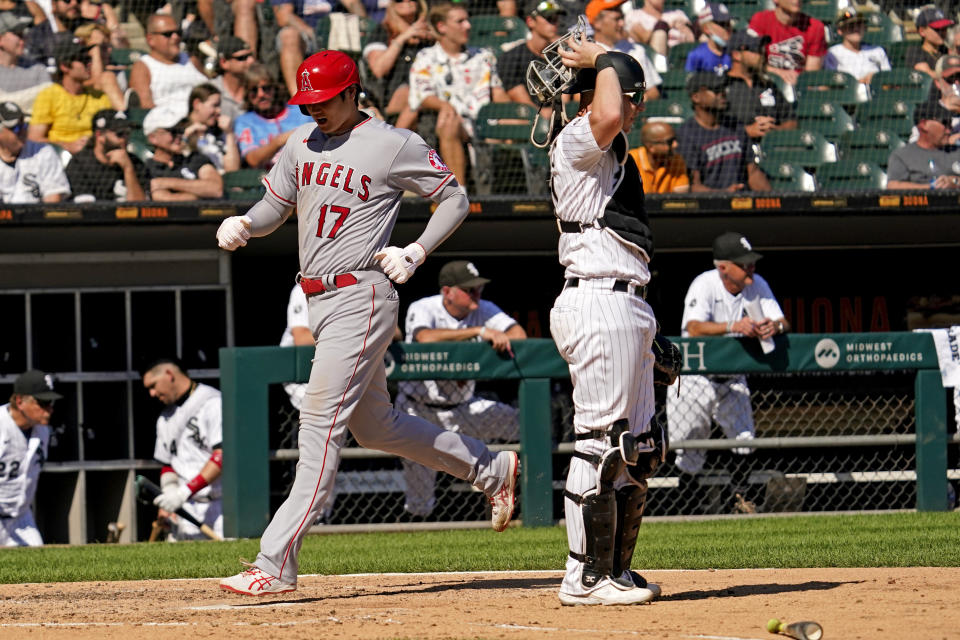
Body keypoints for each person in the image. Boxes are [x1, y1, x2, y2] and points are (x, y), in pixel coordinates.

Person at [215, 50, 519, 595]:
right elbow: (272, 207)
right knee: (375, 426)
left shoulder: (392, 142)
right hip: (318, 299)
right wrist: (244, 222)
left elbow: (454, 198)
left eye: (324, 100)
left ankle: (274, 561)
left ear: (352, 92)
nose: (315, 112)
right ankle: (490, 469)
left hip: (363, 293)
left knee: (319, 426)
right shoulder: (300, 143)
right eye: (307, 102)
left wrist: (418, 252)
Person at [546, 42, 666, 605]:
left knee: (639, 448)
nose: (634, 109)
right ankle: (582, 576)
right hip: (597, 299)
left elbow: (614, 115)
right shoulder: (576, 140)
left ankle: (614, 570)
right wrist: (606, 56)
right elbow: (610, 112)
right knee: (601, 443)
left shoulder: (609, 154)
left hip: (626, 302)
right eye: (631, 95)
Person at [666, 231, 789, 511]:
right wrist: (734, 327)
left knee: (744, 439)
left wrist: (775, 326)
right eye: (743, 264)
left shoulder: (756, 284)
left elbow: (782, 320)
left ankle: (739, 499)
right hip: (697, 376)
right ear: (723, 267)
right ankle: (688, 504)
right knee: (689, 447)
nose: (751, 268)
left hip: (733, 375)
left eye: (751, 262)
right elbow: (694, 328)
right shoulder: (705, 283)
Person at [395, 260, 525, 518]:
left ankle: (534, 484)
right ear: (448, 292)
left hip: (464, 409)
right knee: (420, 501)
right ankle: (421, 532)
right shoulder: (424, 307)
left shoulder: (483, 308)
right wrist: (479, 332)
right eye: (469, 289)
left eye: (478, 288)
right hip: (418, 411)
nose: (477, 294)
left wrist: (491, 335)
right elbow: (424, 338)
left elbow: (519, 336)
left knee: (524, 424)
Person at [407, 1, 510, 187]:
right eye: (460, 21)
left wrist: (513, 118)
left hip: (485, 123)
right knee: (449, 122)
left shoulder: (483, 56)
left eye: (467, 20)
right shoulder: (425, 58)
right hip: (451, 123)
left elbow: (498, 94)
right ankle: (458, 195)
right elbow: (422, 95)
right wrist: (445, 106)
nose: (468, 26)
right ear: (442, 27)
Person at [141, 358, 224, 541]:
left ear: (169, 374)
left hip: (220, 507)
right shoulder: (164, 418)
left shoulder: (213, 402)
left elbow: (221, 456)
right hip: (186, 509)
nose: (152, 393)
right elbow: (168, 463)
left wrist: (183, 492)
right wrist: (169, 493)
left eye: (153, 385)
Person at [676, 72, 772, 192]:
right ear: (696, 97)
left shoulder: (735, 126)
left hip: (743, 201)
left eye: (723, 89)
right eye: (716, 90)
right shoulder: (687, 135)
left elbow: (753, 173)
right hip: (710, 205)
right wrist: (724, 195)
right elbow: (694, 186)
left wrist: (772, 200)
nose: (722, 94)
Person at [0, 370, 61, 547]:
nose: (50, 409)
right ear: (20, 401)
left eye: (51, 402)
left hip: (21, 519)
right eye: (43, 403)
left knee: (41, 567)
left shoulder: (42, 431)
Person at [28, 33, 115, 154]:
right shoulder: (49, 95)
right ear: (64, 66)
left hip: (94, 155)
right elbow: (34, 139)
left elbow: (111, 130)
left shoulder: (99, 96)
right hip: (62, 158)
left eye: (88, 58)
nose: (89, 63)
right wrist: (66, 145)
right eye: (82, 60)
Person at [361, 0, 432, 129]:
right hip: (389, 94)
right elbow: (379, 69)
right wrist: (404, 37)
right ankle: (397, 141)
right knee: (415, 95)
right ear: (392, 4)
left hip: (428, 90)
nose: (406, 1)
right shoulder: (383, 32)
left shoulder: (430, 35)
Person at [720, 29, 797, 143]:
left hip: (772, 149)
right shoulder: (721, 85)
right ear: (737, 55)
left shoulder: (767, 85)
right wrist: (747, 131)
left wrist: (776, 131)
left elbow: (791, 121)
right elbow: (711, 128)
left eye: (762, 49)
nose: (762, 54)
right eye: (756, 50)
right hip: (736, 151)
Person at [233, 63, 312, 170]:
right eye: (254, 90)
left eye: (266, 88)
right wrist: (279, 140)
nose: (261, 94)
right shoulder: (245, 121)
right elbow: (252, 160)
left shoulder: (300, 110)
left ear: (275, 88)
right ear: (247, 94)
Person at [142, 105, 224, 200]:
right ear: (153, 138)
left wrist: (165, 183)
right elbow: (166, 200)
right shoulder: (148, 168)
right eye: (172, 131)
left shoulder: (195, 159)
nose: (179, 136)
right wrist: (197, 194)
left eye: (180, 130)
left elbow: (216, 189)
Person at [128, 14, 209, 110]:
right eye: (168, 34)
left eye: (178, 32)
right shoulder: (143, 67)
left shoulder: (191, 60)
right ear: (150, 39)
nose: (175, 37)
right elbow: (145, 106)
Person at [65, 108, 147, 202]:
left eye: (127, 133)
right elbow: (86, 210)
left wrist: (128, 169)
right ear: (99, 135)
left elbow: (141, 208)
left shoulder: (135, 163)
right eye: (119, 134)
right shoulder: (80, 164)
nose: (125, 138)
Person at [498, 0, 568, 109]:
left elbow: (564, 98)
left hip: (559, 117)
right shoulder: (512, 57)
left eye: (556, 18)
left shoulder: (561, 56)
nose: (555, 23)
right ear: (530, 21)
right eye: (549, 18)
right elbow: (525, 105)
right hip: (527, 119)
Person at [587, 0, 661, 101]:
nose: (622, 23)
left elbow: (653, 92)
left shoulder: (636, 50)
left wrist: (630, 101)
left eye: (622, 17)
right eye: (616, 19)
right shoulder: (586, 53)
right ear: (597, 23)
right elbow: (579, 98)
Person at [0, 101, 70, 203]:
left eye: (24, 125)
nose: (22, 131)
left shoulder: (43, 152)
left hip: (35, 216)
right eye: (16, 128)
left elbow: (53, 198)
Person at [748, 0, 826, 85]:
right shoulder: (760, 19)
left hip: (797, 86)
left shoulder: (815, 27)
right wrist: (778, 73)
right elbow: (750, 59)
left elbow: (811, 75)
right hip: (764, 82)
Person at [887, 100, 960, 189]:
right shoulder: (902, 156)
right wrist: (932, 188)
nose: (950, 130)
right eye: (945, 123)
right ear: (924, 124)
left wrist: (954, 182)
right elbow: (893, 186)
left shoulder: (957, 152)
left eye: (950, 123)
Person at [823, 7, 890, 86]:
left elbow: (888, 81)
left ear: (864, 28)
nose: (855, 29)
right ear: (840, 30)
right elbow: (831, 84)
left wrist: (876, 79)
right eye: (851, 26)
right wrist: (862, 82)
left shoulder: (877, 50)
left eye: (859, 25)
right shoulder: (832, 54)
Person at [182, 83, 241, 173]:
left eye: (219, 106)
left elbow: (232, 171)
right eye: (214, 105)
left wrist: (229, 133)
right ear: (197, 104)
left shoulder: (219, 132)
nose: (219, 111)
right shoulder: (180, 130)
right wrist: (187, 137)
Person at [0, 11, 51, 111]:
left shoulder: (37, 68)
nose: (22, 39)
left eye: (22, 34)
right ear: (0, 40)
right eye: (17, 34)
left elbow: (50, 100)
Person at [628, 121, 689, 193]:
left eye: (675, 139)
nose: (675, 145)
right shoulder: (630, 160)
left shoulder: (677, 160)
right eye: (670, 142)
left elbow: (680, 197)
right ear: (651, 147)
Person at [624, 0, 694, 58]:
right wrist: (666, 26)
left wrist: (684, 28)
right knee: (660, 34)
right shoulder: (634, 15)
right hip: (654, 59)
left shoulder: (678, 13)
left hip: (682, 57)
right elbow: (644, 38)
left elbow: (692, 39)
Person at [212, 35, 255, 125]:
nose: (251, 61)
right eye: (242, 58)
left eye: (251, 55)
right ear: (224, 63)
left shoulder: (258, 89)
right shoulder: (211, 90)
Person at [906, 6, 953, 80]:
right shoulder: (915, 52)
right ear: (922, 31)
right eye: (937, 29)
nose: (942, 32)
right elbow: (927, 76)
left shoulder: (946, 50)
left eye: (944, 28)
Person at [685, 3, 733, 75]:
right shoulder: (697, 56)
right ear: (706, 29)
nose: (727, 28)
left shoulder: (735, 53)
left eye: (728, 23)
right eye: (722, 24)